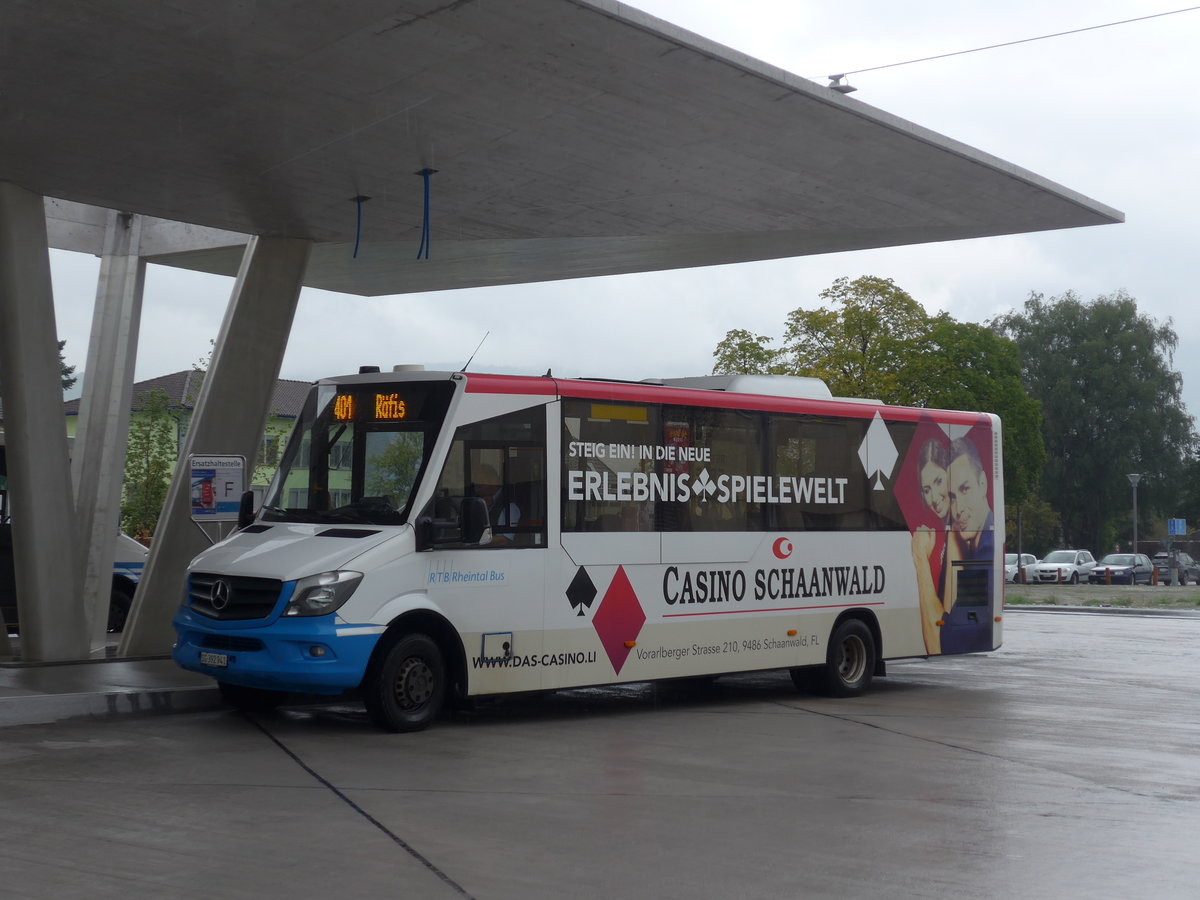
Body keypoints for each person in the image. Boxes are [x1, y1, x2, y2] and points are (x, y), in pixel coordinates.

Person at [472, 463, 520, 545]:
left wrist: (475, 540)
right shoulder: (484, 502)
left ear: (492, 482)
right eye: (475, 486)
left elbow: (505, 539)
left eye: (479, 485)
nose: (476, 490)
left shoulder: (509, 506)